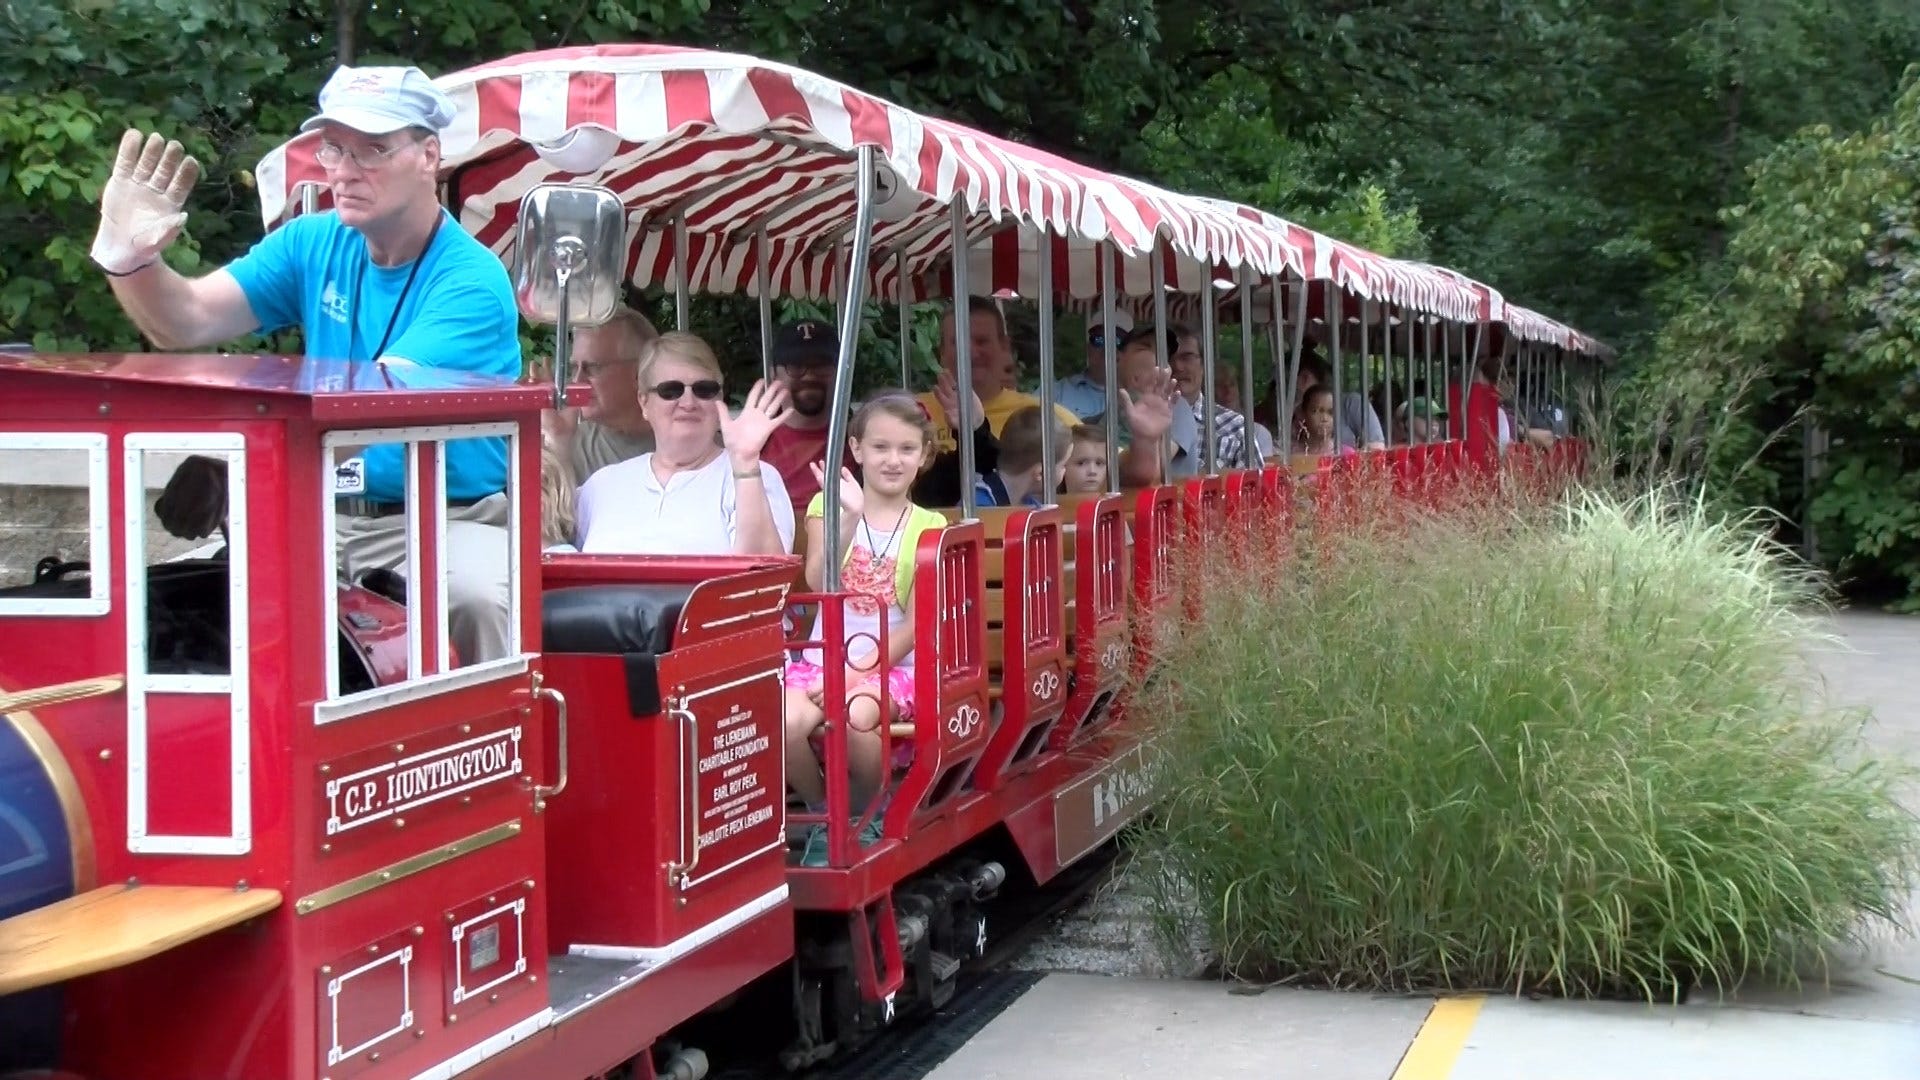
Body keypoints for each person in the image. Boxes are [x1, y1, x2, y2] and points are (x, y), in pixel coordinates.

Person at [94, 64, 523, 665]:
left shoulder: (472, 280)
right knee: (168, 599)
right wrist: (128, 259)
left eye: (371, 149)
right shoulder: (310, 242)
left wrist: (233, 463)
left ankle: (491, 723)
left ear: (429, 155)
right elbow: (184, 321)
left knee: (477, 598)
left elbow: (372, 405)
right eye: (334, 148)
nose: (344, 169)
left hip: (443, 522)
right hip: (316, 515)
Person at [784, 394, 950, 865]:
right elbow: (820, 583)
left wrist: (858, 673)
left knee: (857, 715)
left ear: (924, 455)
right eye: (880, 447)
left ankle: (868, 811)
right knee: (784, 721)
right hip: (822, 662)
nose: (892, 460)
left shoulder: (930, 525)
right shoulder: (827, 505)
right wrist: (850, 517)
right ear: (856, 449)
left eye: (906, 449)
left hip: (890, 668)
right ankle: (825, 814)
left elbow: (918, 624)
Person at [573, 332, 796, 555]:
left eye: (704, 390)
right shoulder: (601, 485)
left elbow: (763, 568)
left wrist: (745, 464)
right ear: (644, 402)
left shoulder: (756, 477)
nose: (688, 403)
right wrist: (559, 441)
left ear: (719, 398)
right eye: (671, 390)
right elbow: (556, 547)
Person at [919, 298, 1079, 450]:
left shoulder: (1051, 420)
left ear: (1004, 346)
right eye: (959, 342)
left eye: (982, 341)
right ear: (942, 352)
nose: (971, 352)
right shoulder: (914, 413)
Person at [545, 305, 659, 485]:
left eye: (592, 367)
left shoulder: (687, 437)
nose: (577, 380)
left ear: (641, 372)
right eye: (574, 367)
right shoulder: (569, 440)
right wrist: (558, 442)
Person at [760, 318, 856, 513]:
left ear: (841, 373)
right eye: (796, 367)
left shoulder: (862, 438)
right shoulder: (753, 444)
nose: (810, 376)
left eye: (822, 366)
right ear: (773, 374)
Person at [977, 405, 1070, 507]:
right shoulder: (980, 506)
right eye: (1063, 465)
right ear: (1041, 473)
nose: (1065, 471)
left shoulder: (1030, 503)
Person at [1295, 350, 1386, 453]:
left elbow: (1376, 450)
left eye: (1330, 412)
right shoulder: (1294, 413)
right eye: (1315, 411)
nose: (1324, 418)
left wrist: (1348, 458)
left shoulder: (1351, 403)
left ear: (1305, 378)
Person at [1055, 309, 1130, 423]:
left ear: (1130, 352)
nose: (1107, 349)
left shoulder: (1143, 397)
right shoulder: (1056, 392)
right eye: (1099, 340)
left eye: (1117, 342)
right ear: (1088, 348)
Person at [1062, 424, 1110, 494]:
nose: (1092, 471)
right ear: (1063, 465)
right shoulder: (1049, 499)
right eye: (1081, 463)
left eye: (1099, 463)